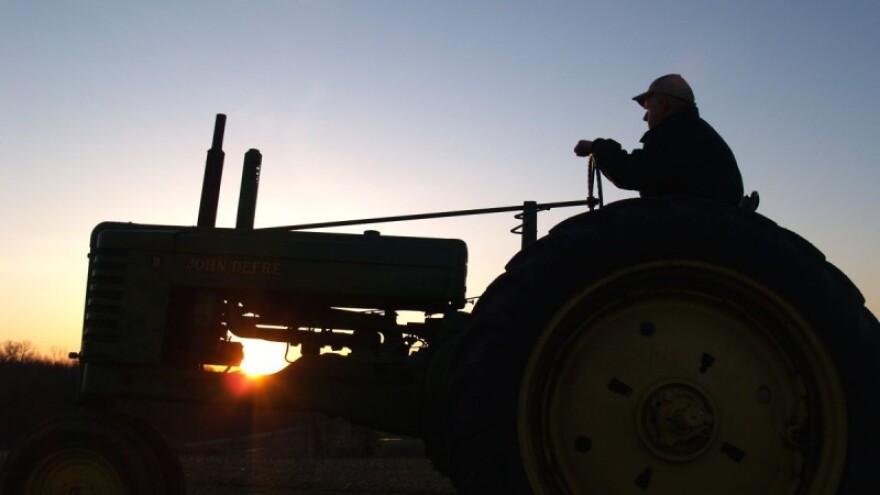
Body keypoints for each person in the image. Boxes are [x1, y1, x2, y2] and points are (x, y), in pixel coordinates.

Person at [574, 74, 744, 206]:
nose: (645, 116)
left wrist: (596, 147)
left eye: (648, 107)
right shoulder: (693, 132)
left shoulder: (679, 134)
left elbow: (633, 172)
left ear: (663, 105)